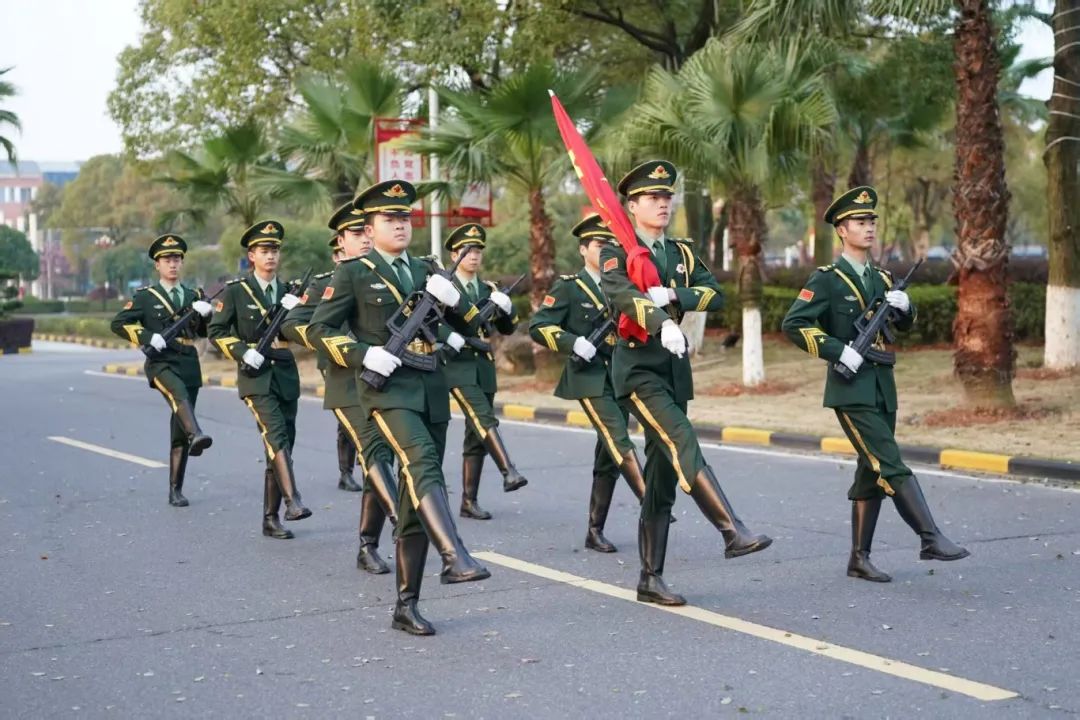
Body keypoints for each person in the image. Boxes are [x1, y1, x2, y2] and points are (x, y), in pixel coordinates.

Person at [306, 180, 490, 636]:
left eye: (405, 217)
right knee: (421, 460)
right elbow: (319, 330)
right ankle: (454, 555)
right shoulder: (353, 273)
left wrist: (456, 301)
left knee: (414, 495)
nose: (400, 225)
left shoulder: (427, 269)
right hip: (386, 391)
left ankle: (406, 605)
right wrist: (362, 354)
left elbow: (470, 323)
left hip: (430, 385)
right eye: (390, 219)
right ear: (369, 229)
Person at [600, 160, 772, 606]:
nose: (663, 203)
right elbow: (621, 294)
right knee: (681, 438)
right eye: (652, 197)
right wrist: (660, 320)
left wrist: (675, 294)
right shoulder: (617, 250)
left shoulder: (682, 253)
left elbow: (714, 292)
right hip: (638, 370)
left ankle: (650, 578)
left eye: (667, 196)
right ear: (632, 205)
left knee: (661, 477)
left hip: (674, 370)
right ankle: (731, 530)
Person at [781, 185, 969, 583]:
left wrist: (906, 308)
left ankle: (859, 558)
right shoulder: (827, 279)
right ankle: (930, 537)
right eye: (860, 221)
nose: (868, 227)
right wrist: (838, 351)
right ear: (841, 230)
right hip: (851, 390)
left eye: (871, 221)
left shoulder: (883, 277)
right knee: (888, 461)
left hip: (883, 385)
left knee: (871, 470)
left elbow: (903, 325)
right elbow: (794, 324)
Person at [529, 213, 657, 552]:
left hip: (620, 374)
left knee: (608, 455)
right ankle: (651, 501)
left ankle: (594, 530)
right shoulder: (569, 287)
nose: (606, 250)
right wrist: (573, 343)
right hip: (589, 376)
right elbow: (539, 326)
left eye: (610, 245)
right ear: (583, 249)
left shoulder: (623, 284)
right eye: (599, 245)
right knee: (619, 438)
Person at [282, 204, 398, 573]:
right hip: (346, 383)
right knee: (375, 453)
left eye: (367, 231)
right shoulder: (324, 283)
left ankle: (367, 545)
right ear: (340, 242)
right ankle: (403, 522)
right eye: (355, 234)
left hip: (386, 380)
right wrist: (338, 346)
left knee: (383, 459)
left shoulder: (391, 274)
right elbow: (293, 324)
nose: (364, 239)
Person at [208, 220, 312, 539]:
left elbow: (306, 331)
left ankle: (270, 518)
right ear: (251, 256)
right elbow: (216, 332)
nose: (270, 256)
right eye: (264, 251)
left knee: (281, 446)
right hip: (256, 377)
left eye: (275, 250)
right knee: (275, 434)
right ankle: (293, 501)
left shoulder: (290, 292)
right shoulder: (236, 292)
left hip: (285, 372)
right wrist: (242, 352)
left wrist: (297, 315)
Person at [111, 234, 213, 507]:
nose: (173, 264)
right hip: (160, 362)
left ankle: (175, 490)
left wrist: (206, 315)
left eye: (177, 259)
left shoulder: (192, 296)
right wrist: (147, 337)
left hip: (188, 360)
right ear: (157, 265)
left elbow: (202, 333)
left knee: (180, 426)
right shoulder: (146, 297)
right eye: (167, 260)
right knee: (178, 395)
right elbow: (119, 323)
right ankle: (197, 434)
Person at [441, 223, 526, 520]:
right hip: (456, 364)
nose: (474, 256)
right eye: (467, 251)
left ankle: (469, 501)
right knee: (483, 417)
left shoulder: (488, 289)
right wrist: (449, 336)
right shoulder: (445, 286)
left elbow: (508, 329)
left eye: (478, 250)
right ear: (454, 255)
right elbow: (431, 321)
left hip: (482, 366)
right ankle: (508, 470)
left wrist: (507, 309)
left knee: (476, 434)